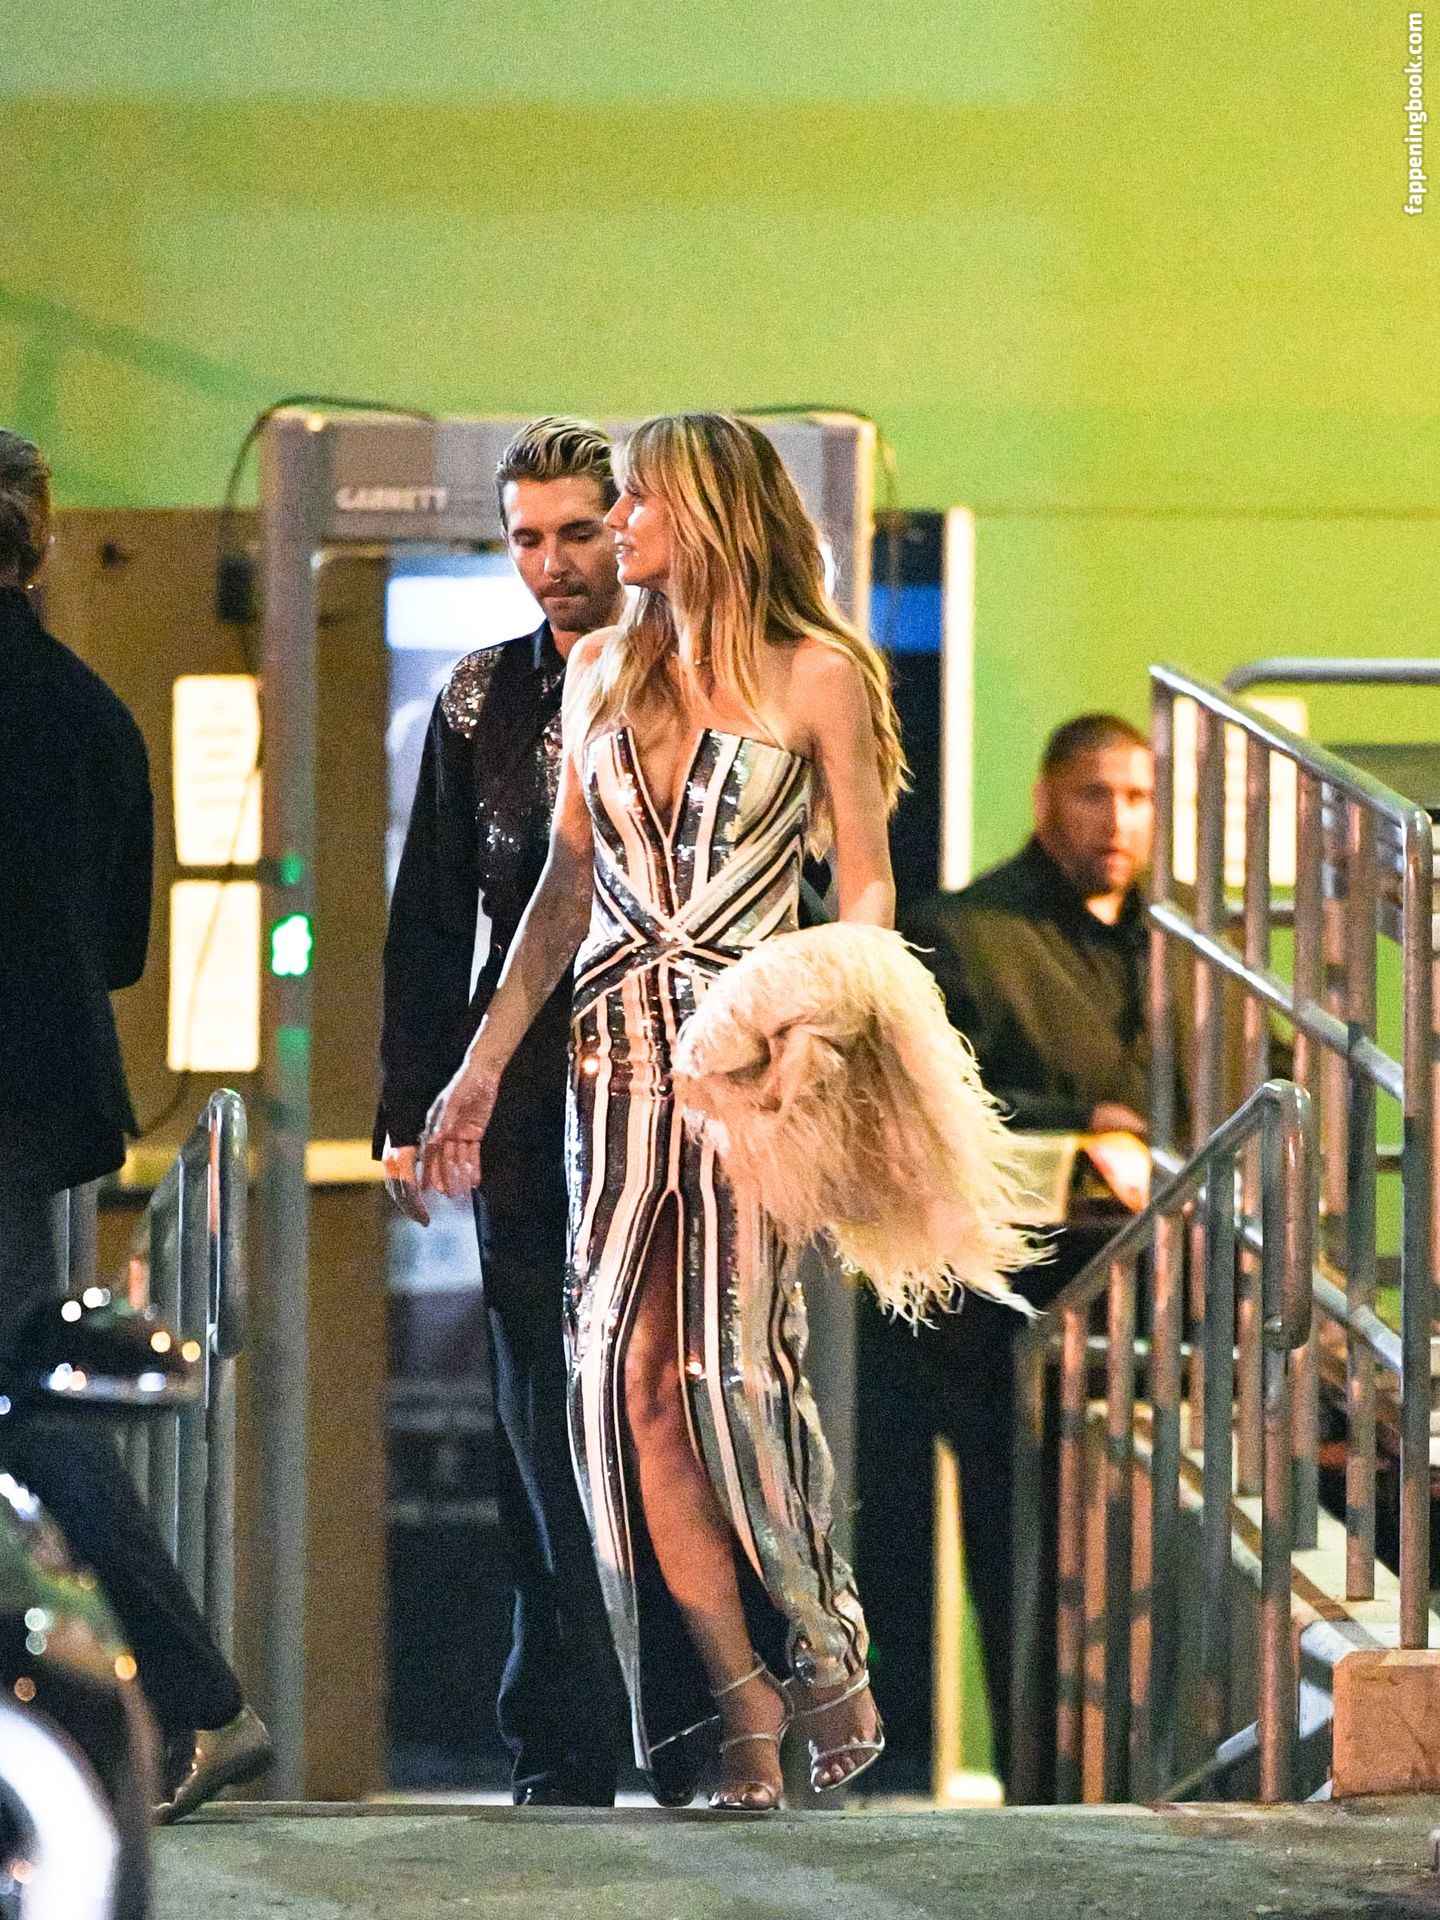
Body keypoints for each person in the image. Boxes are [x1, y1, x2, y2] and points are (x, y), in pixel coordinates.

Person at [419, 412, 914, 1814]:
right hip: (613, 1062)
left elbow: (865, 881)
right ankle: (738, 1702)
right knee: (622, 1389)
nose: (617, 524)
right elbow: (562, 894)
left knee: (738, 1377)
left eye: (636, 502)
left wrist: (831, 1019)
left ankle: (825, 1646)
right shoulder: (601, 669)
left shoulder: (819, 673)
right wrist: (479, 1063)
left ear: (707, 513)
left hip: (755, 1060)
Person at [0, 428, 270, 1819]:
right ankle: (183, 1695)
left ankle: (198, 1691)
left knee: (22, 1404)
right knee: (19, 1391)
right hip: (43, 1101)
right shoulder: (94, 713)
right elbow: (117, 948)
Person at [375, 417, 631, 1807]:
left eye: (576, 532)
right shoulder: (481, 694)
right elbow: (430, 917)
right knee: (538, 1416)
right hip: (520, 1088)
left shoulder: (686, 678)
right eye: (526, 539)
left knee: (662, 1409)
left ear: (628, 527)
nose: (551, 563)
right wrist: (406, 1106)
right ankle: (562, 1738)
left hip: (673, 1079)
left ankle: (711, 1717)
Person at [856, 712, 1155, 1798]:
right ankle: (1037, 1794)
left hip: (1159, 1318)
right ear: (1044, 799)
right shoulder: (962, 932)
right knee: (1023, 1568)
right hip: (1003, 1325)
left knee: (1143, 1583)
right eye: (1094, 793)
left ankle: (1122, 1794)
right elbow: (921, 1114)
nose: (1117, 820)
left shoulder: (1184, 948)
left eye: (1137, 797)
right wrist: (1087, 1129)